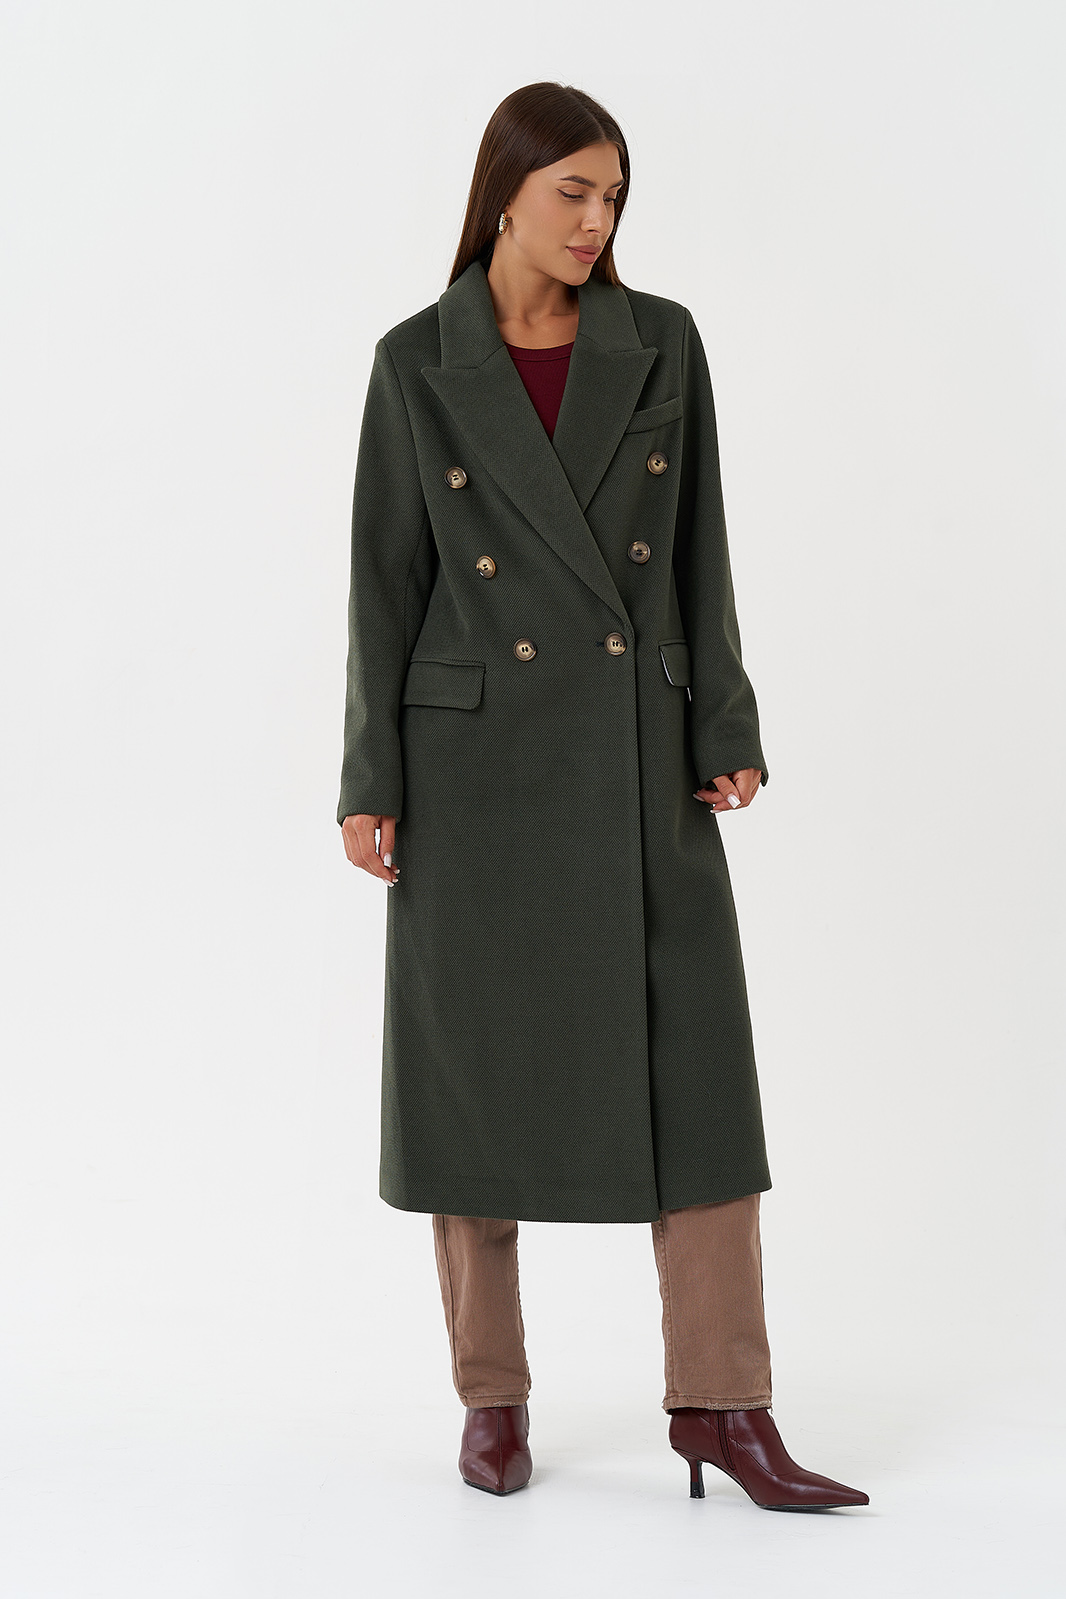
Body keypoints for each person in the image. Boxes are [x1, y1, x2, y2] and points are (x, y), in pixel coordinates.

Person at [338, 81, 868, 1510]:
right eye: (571, 191)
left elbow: (700, 548)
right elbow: (385, 581)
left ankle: (725, 1406)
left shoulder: (660, 342)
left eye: (613, 195)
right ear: (503, 194)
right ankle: (491, 1399)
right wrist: (370, 777)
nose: (596, 220)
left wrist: (723, 717)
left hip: (636, 750)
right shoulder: (415, 361)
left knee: (698, 1086)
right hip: (473, 767)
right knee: (468, 1091)